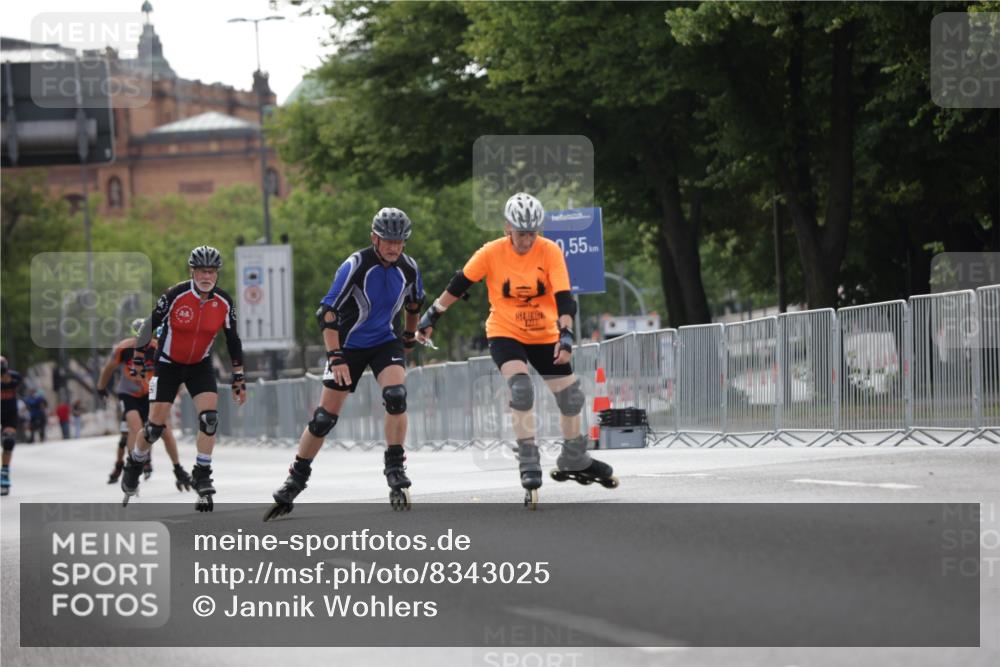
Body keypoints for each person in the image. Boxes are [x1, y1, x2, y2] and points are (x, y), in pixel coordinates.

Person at [417, 192, 617, 509]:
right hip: (505, 332)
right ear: (507, 226)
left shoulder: (549, 251)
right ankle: (528, 456)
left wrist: (565, 335)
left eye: (531, 233)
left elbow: (565, 299)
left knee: (571, 398)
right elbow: (459, 284)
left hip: (545, 333)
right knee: (521, 389)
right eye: (520, 233)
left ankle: (574, 456)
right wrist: (433, 315)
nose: (525, 241)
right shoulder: (491, 252)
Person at [264, 207, 424, 520]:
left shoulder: (409, 267)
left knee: (396, 396)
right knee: (324, 419)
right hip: (347, 346)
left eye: (399, 241)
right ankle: (295, 479)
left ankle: (395, 468)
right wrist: (335, 356)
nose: (393, 247)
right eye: (387, 240)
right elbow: (326, 313)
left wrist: (407, 337)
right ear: (374, 238)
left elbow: (414, 303)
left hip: (383, 342)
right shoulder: (356, 264)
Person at [123, 246, 246, 511]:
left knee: (209, 419)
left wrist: (238, 375)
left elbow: (233, 339)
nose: (206, 276)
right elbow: (148, 325)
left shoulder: (224, 302)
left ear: (217, 274)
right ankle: (134, 461)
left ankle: (202, 473)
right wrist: (138, 358)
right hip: (167, 364)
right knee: (155, 428)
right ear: (192, 271)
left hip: (199, 364)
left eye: (211, 271)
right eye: (202, 271)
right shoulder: (175, 295)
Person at [97, 318, 191, 491]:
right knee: (136, 427)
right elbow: (109, 367)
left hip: (150, 393)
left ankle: (178, 468)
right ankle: (134, 467)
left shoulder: (156, 347)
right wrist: (101, 387)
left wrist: (176, 389)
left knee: (164, 430)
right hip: (128, 393)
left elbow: (174, 371)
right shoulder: (124, 347)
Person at [1, 356, 24, 496]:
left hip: (9, 414)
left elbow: (17, 380)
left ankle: (4, 472)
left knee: (8, 441)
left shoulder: (14, 378)